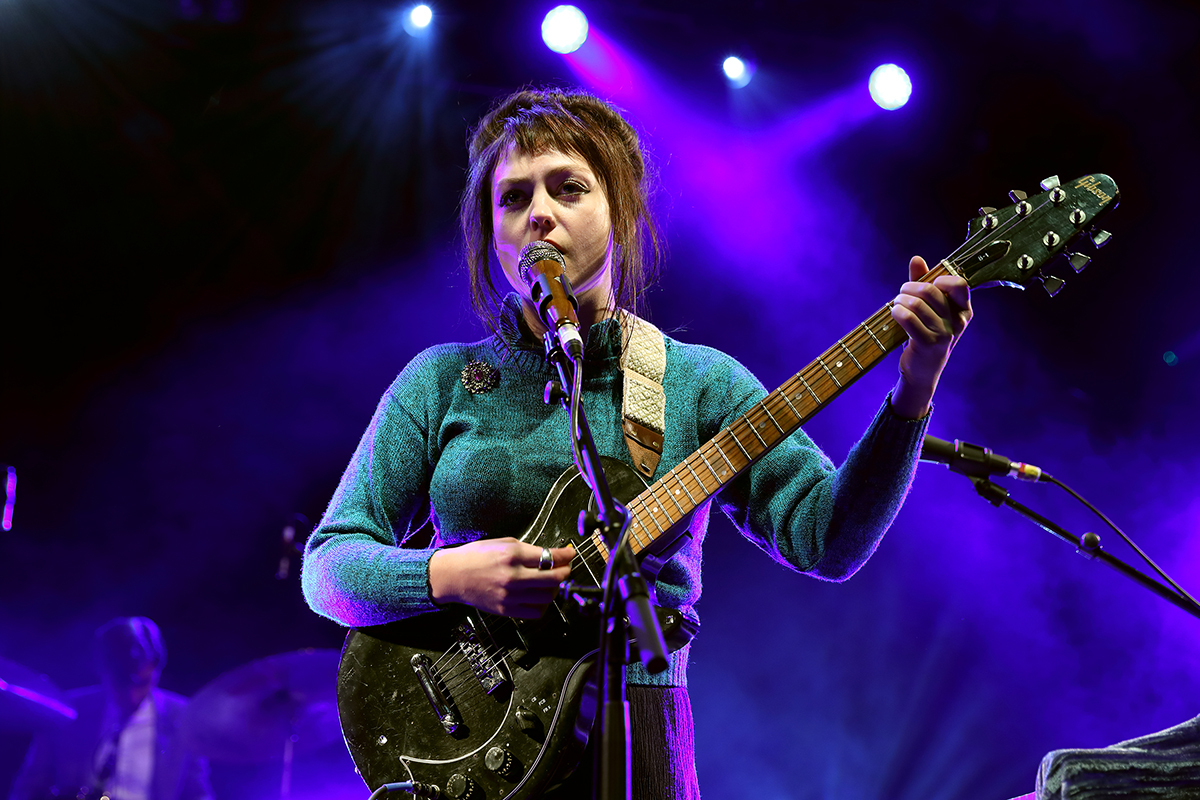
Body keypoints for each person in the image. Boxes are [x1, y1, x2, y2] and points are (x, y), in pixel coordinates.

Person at [300, 87, 972, 798]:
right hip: (470, 756)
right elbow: (329, 566)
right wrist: (448, 575)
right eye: (513, 198)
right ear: (489, 233)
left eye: (568, 188)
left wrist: (914, 390)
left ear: (619, 211)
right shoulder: (440, 381)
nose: (540, 214)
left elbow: (827, 541)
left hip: (638, 727)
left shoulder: (697, 383)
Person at [8, 617, 214, 800]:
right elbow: (28, 787)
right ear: (103, 670)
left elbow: (197, 792)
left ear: (157, 670)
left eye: (141, 684)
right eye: (122, 683)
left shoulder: (182, 717)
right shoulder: (67, 712)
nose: (131, 696)